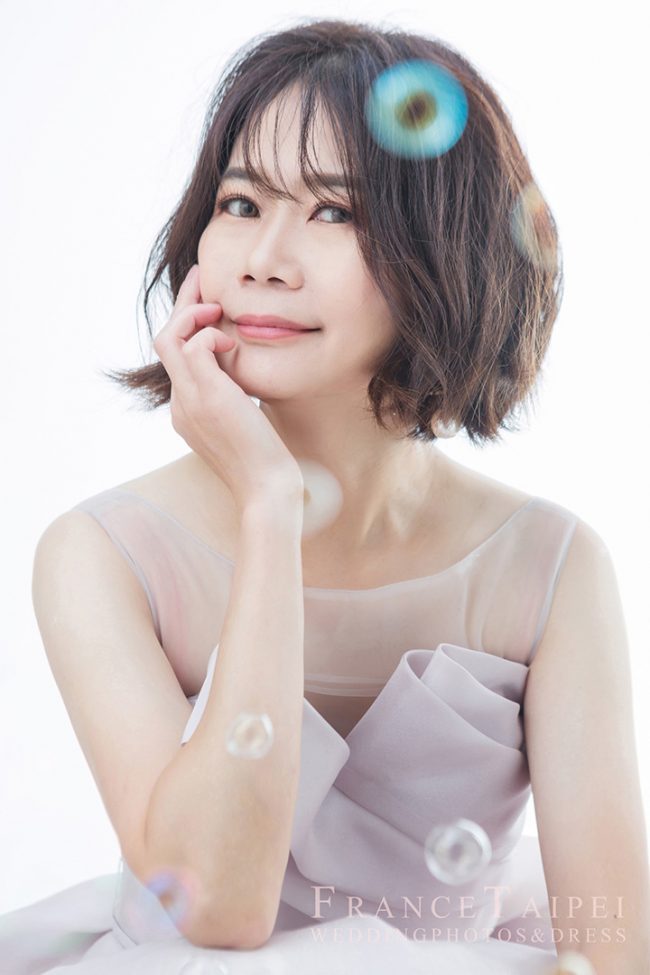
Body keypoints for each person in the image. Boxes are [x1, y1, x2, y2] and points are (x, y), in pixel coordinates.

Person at [1, 16, 648, 975]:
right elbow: (218, 906)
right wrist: (269, 504)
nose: (264, 257)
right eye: (241, 201)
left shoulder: (550, 566)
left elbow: (617, 948)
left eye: (335, 212)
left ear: (446, 248)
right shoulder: (102, 552)